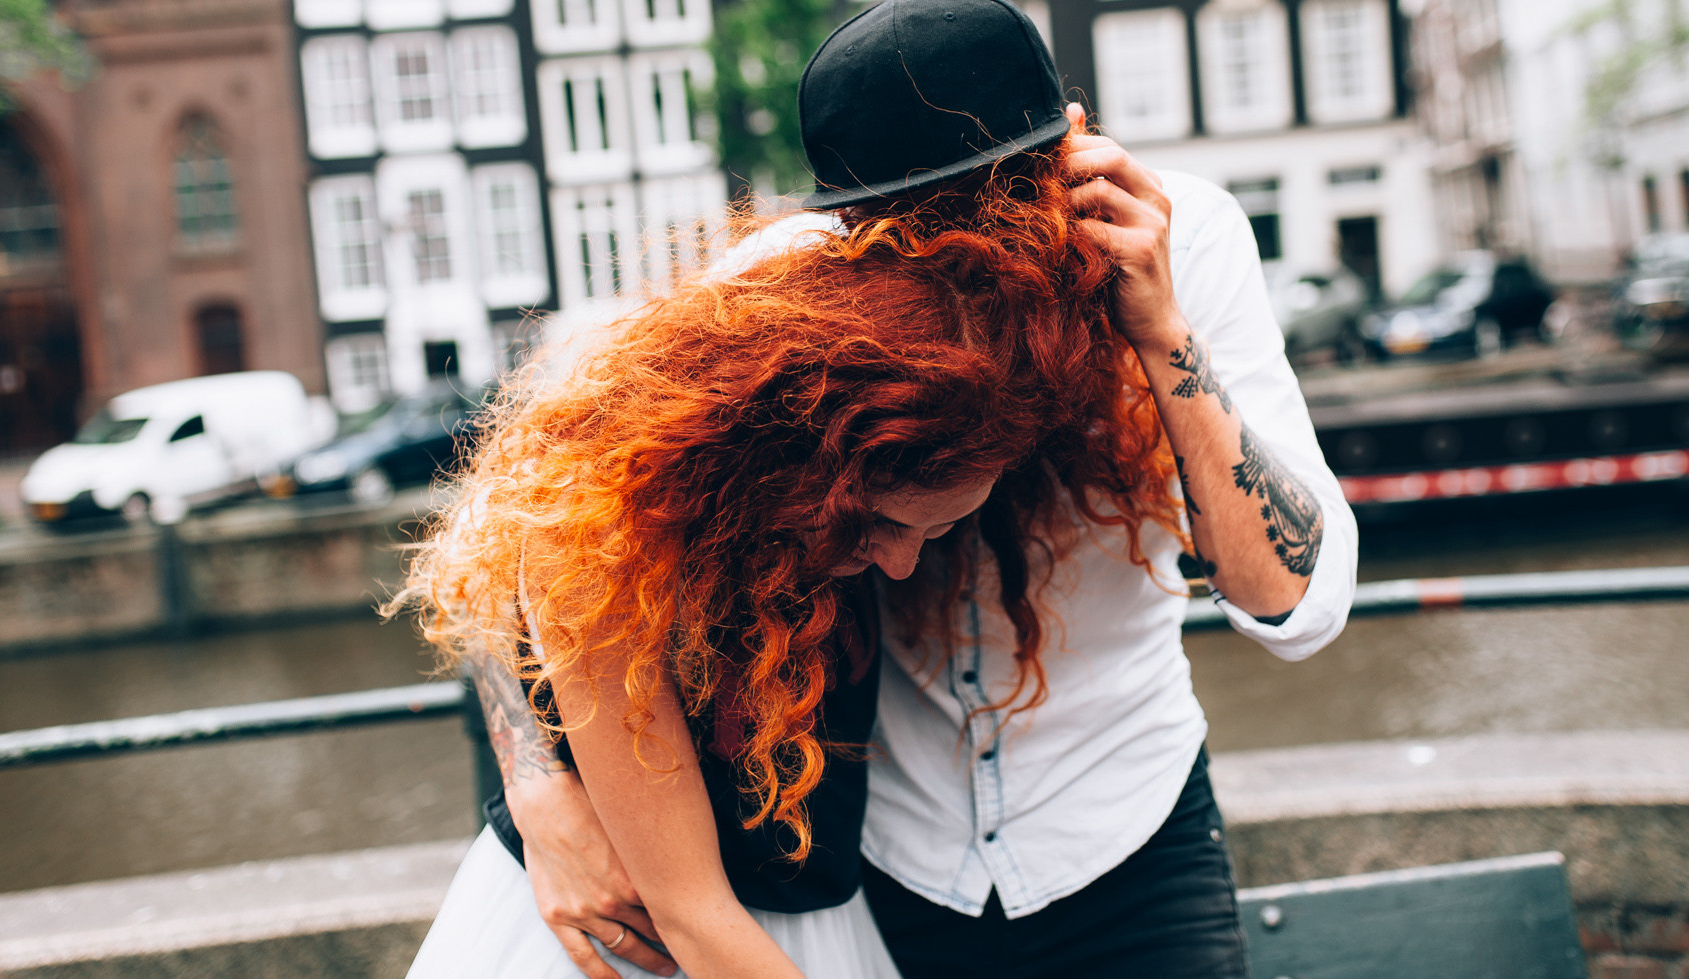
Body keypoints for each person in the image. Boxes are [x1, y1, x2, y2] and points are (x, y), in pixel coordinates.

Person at [474, 0, 1359, 979]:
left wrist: (1160, 333)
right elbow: (549, 517)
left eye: (987, 219)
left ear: (1068, 152)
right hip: (895, 861)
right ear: (847, 224)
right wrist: (533, 784)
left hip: (1127, 825)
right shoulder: (799, 299)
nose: (954, 264)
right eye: (906, 236)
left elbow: (1296, 606)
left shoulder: (1185, 242)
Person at [403, 111, 1188, 979]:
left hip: (815, 927)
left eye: (938, 531)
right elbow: (496, 553)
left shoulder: (874, 466)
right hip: (636, 946)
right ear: (799, 456)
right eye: (882, 525)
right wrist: (532, 784)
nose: (902, 564)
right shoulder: (614, 545)